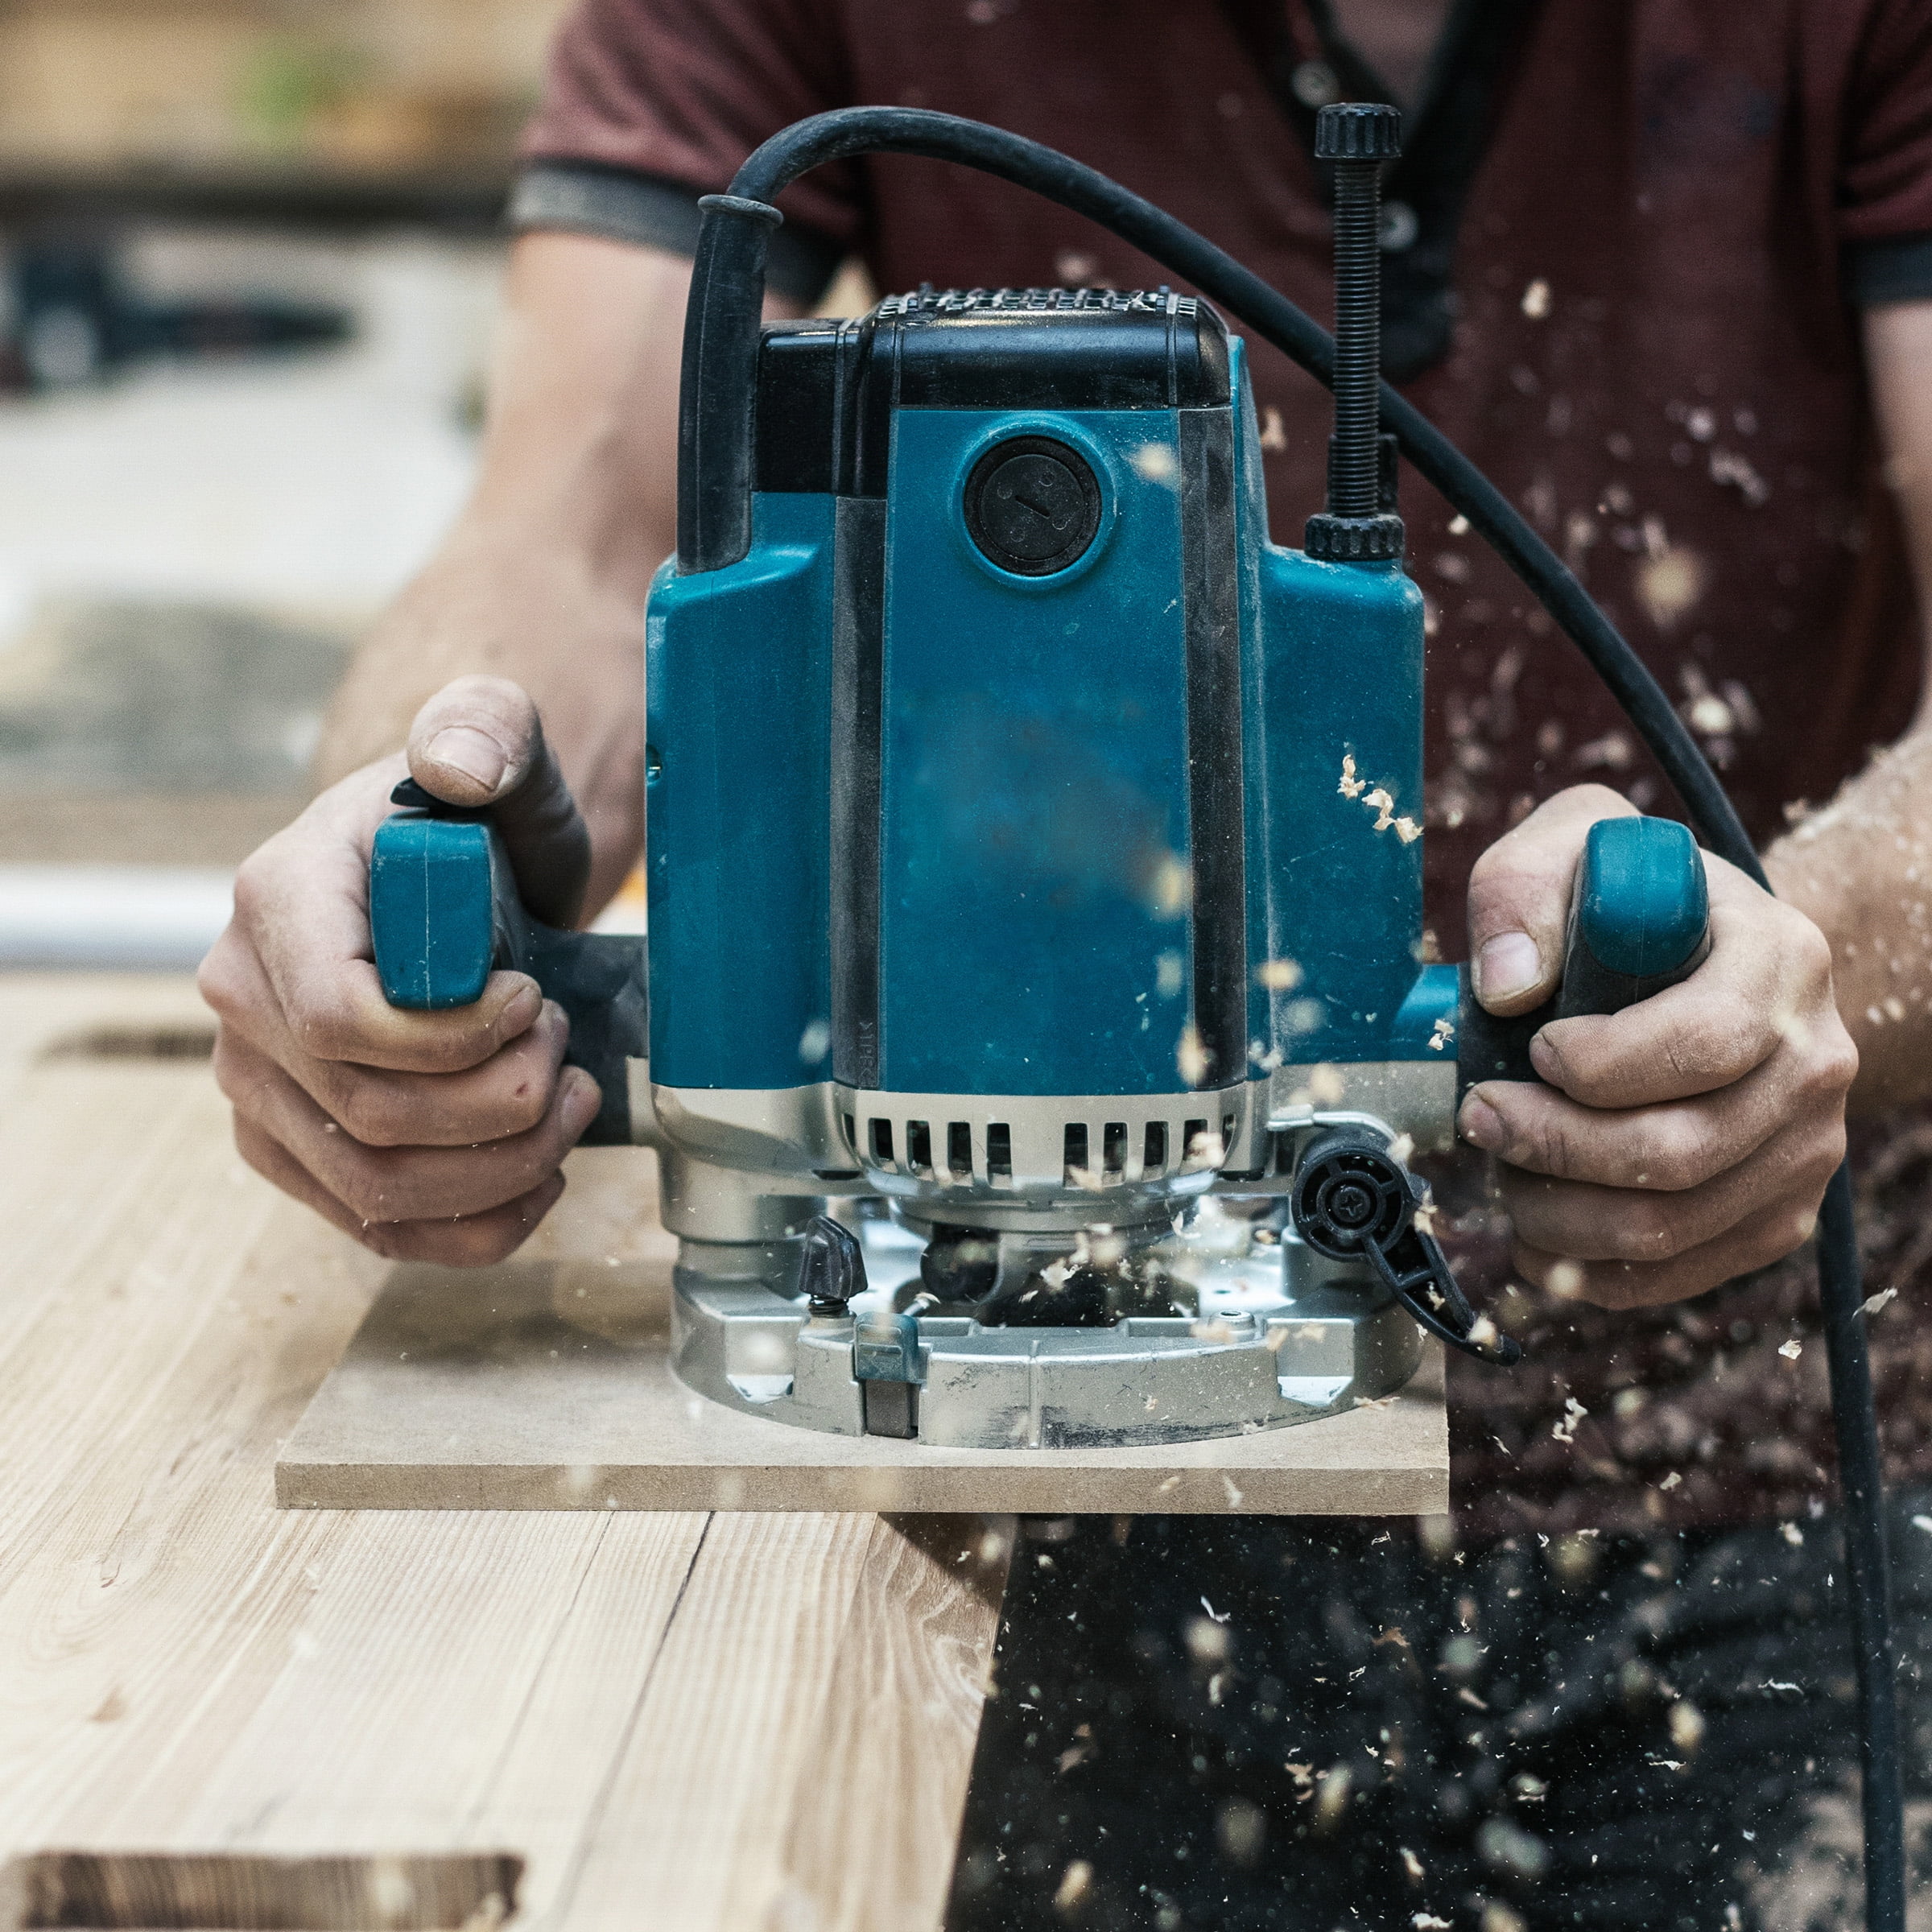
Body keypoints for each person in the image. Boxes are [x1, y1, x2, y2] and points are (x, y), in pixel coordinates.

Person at [196, 2, 1932, 1923]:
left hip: (1756, 1438)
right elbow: (585, 535)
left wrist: (1795, 983)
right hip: (1007, 1515)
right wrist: (410, 821)